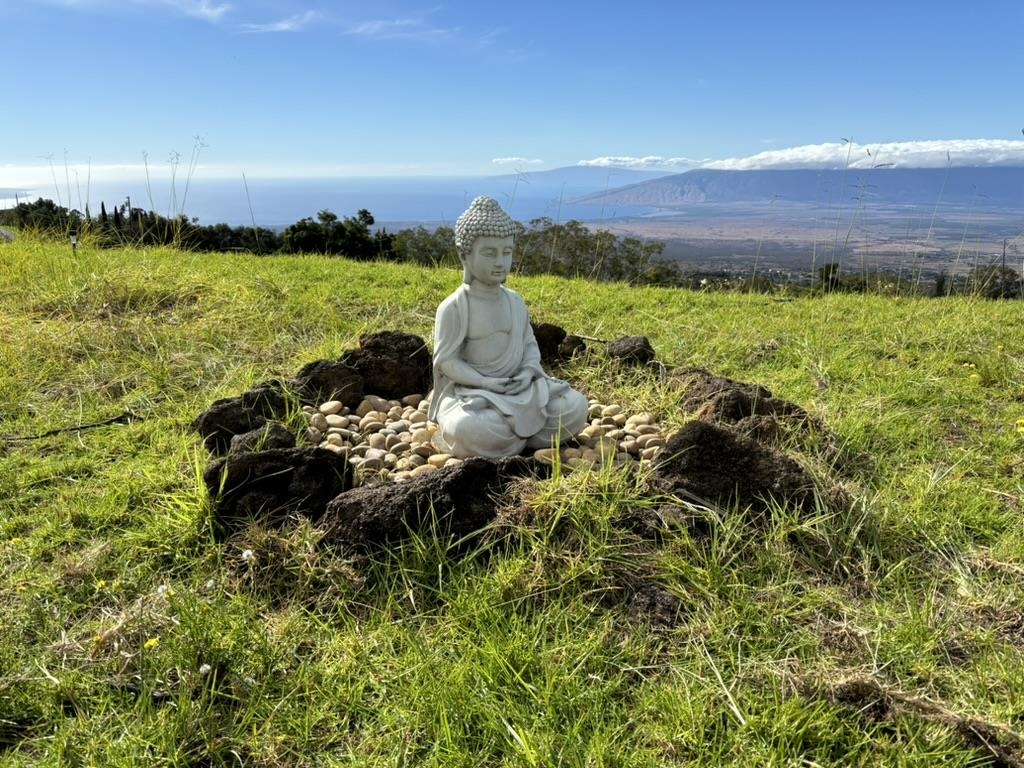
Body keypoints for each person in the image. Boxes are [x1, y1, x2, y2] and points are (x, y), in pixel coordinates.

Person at [428, 196, 588, 458]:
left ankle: (510, 441)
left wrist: (527, 373)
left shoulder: (514, 301)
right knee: (467, 427)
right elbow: (447, 362)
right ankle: (514, 439)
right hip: (474, 393)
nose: (500, 262)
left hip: (522, 388)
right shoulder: (455, 307)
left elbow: (529, 347)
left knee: (576, 407)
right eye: (489, 253)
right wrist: (485, 382)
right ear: (464, 254)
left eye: (507, 252)